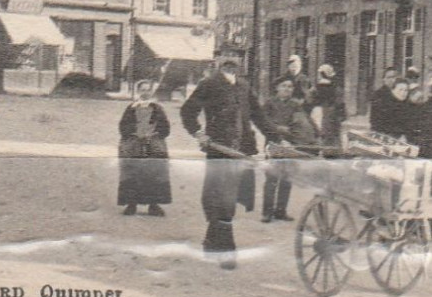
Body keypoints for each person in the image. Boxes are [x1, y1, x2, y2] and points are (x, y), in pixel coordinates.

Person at [181, 58, 261, 268]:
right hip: (219, 149)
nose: (231, 62)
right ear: (219, 62)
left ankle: (211, 242)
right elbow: (188, 111)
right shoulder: (209, 84)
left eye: (236, 56)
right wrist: (198, 133)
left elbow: (259, 116)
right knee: (222, 198)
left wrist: (278, 136)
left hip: (242, 150)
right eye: (226, 56)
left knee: (228, 198)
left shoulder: (244, 86)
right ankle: (226, 251)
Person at [258, 76, 319, 222]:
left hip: (291, 144)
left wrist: (316, 134)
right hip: (273, 145)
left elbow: (305, 122)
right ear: (277, 88)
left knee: (287, 179)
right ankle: (267, 212)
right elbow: (263, 123)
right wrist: (278, 129)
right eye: (284, 86)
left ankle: (280, 211)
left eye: (290, 87)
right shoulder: (269, 104)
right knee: (272, 178)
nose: (287, 89)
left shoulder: (295, 105)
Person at [116, 81, 172, 217]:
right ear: (138, 91)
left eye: (148, 90)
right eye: (143, 90)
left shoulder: (158, 108)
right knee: (133, 172)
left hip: (152, 144)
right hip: (134, 144)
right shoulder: (131, 108)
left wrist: (154, 135)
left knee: (154, 174)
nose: (146, 92)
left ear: (151, 91)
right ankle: (131, 204)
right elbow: (123, 126)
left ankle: (154, 205)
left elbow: (165, 127)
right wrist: (134, 134)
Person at [308, 62, 344, 151]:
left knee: (319, 132)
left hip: (318, 112)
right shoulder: (337, 88)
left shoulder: (315, 88)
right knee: (332, 134)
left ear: (321, 74)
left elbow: (309, 100)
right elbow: (340, 103)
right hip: (332, 113)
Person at [370, 76, 416, 142]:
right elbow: (378, 126)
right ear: (393, 90)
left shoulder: (408, 106)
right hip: (385, 140)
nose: (403, 93)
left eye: (406, 90)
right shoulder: (384, 105)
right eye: (400, 90)